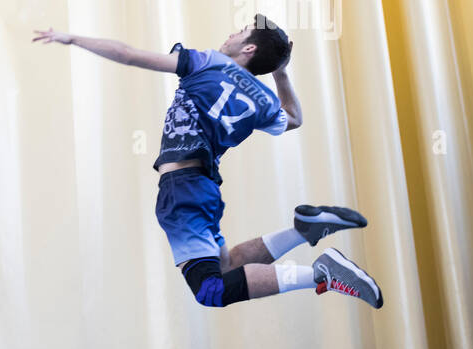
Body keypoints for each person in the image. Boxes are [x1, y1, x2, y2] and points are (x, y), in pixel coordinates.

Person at [32, 16, 383, 309]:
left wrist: (73, 38)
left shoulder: (205, 62)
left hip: (183, 188)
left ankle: (321, 274)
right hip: (202, 188)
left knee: (210, 290)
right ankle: (303, 230)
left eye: (240, 31)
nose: (231, 34)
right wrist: (280, 71)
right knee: (227, 264)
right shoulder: (262, 100)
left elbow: (127, 54)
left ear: (248, 49)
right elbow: (294, 118)